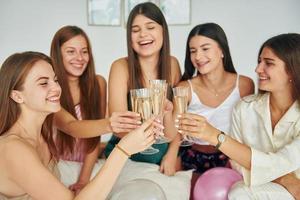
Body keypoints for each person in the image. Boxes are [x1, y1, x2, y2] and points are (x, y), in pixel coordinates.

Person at [0, 51, 162, 200]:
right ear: (17, 96)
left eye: (55, 80)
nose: (56, 88)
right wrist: (122, 150)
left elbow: (74, 126)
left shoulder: (40, 133)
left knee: (148, 189)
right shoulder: (14, 149)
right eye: (43, 83)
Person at [177, 33, 300, 199]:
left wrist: (213, 135)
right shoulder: (244, 108)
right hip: (262, 186)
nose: (258, 69)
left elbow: (284, 161)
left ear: (293, 70)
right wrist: (283, 178)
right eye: (259, 62)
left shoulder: (242, 86)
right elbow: (236, 162)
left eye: (268, 63)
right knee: (238, 192)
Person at [50, 25, 145, 193]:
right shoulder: (51, 88)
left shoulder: (98, 84)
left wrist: (84, 180)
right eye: (71, 51)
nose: (79, 58)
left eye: (84, 51)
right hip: (58, 163)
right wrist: (110, 123)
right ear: (58, 54)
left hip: (87, 162)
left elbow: (94, 139)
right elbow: (71, 126)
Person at [161, 23, 254, 176]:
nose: (198, 56)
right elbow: (177, 128)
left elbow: (247, 128)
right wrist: (171, 155)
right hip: (193, 155)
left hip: (231, 156)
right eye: (193, 51)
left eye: (205, 49)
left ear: (222, 50)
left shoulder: (245, 85)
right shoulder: (185, 88)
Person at [105, 2, 181, 165]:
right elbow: (120, 129)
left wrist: (173, 152)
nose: (143, 35)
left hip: (162, 157)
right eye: (135, 30)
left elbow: (175, 126)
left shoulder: (172, 65)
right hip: (126, 155)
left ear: (163, 30)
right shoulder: (120, 67)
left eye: (150, 27)